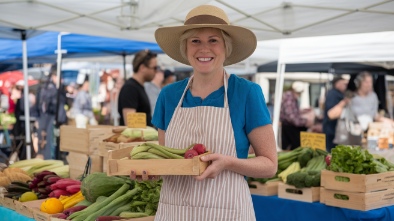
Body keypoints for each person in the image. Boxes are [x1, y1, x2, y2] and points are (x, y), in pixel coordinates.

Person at [134, 5, 277, 220]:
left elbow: (269, 165)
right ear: (185, 47)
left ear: (226, 47)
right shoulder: (169, 95)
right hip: (175, 211)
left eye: (213, 40)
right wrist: (149, 171)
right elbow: (168, 162)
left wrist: (229, 162)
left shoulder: (247, 93)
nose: (204, 48)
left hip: (228, 212)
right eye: (195, 41)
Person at [117, 50, 157, 126]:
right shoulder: (130, 88)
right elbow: (131, 124)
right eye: (154, 68)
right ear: (142, 68)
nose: (156, 71)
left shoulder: (137, 87)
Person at [37, 64, 67, 159]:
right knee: (50, 147)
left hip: (57, 121)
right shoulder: (49, 89)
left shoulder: (58, 89)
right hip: (50, 121)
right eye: (59, 76)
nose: (61, 79)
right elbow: (44, 108)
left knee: (55, 146)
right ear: (53, 76)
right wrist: (43, 127)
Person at [280, 81, 313, 150]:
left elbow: (292, 112)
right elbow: (291, 117)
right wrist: (305, 122)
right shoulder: (289, 98)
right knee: (293, 147)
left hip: (289, 126)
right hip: (289, 127)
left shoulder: (290, 97)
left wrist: (303, 111)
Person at [322, 77, 348, 152]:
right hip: (331, 129)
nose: (345, 86)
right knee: (332, 151)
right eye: (344, 84)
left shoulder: (338, 93)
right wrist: (344, 102)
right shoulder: (333, 94)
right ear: (337, 83)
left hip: (335, 129)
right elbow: (330, 113)